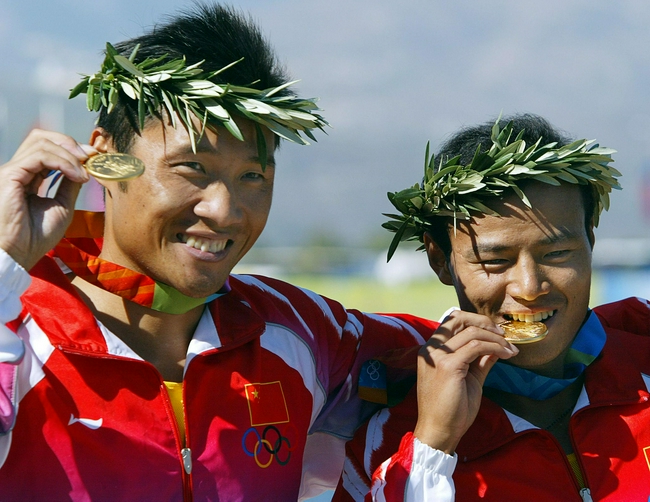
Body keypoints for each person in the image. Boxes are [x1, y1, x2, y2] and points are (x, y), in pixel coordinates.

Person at [0, 4, 435, 500]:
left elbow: (472, 354)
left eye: (253, 176)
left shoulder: (300, 332)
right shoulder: (20, 327)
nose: (225, 211)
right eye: (191, 167)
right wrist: (5, 256)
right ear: (104, 158)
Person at [334, 114, 650, 501]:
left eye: (559, 253)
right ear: (440, 260)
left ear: (591, 240)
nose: (530, 288)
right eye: (495, 260)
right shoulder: (385, 444)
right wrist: (432, 450)